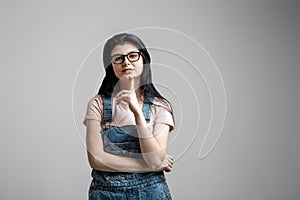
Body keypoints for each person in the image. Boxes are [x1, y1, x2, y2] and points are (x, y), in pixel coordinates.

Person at [83, 33, 175, 200]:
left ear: (144, 60)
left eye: (133, 56)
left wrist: (138, 114)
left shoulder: (160, 107)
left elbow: (154, 159)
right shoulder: (98, 105)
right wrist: (149, 166)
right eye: (118, 58)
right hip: (106, 194)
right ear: (110, 65)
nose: (126, 62)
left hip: (151, 194)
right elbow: (96, 160)